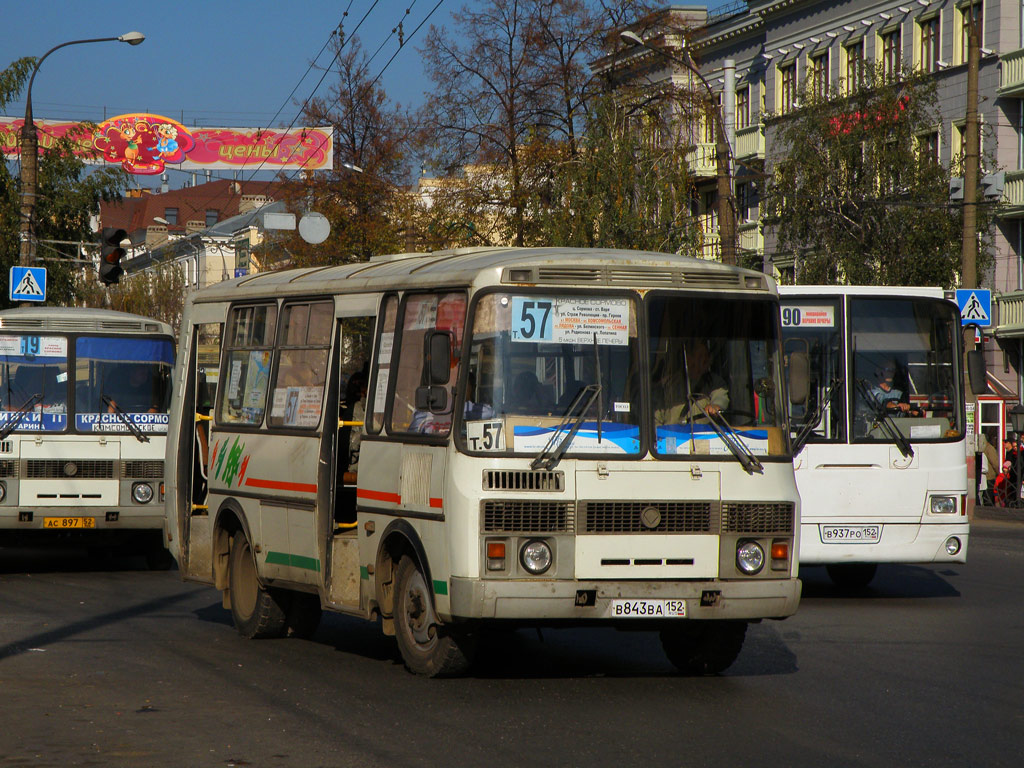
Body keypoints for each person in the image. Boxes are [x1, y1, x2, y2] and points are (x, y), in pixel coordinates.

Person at [655, 338, 729, 424]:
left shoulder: (714, 382)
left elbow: (721, 397)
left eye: (706, 356)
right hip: (672, 436)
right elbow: (656, 418)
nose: (703, 361)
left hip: (704, 436)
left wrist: (716, 406)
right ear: (687, 358)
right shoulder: (668, 384)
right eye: (699, 356)